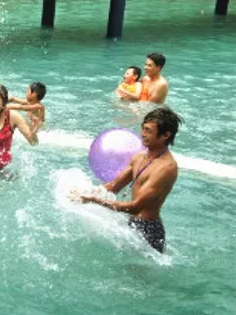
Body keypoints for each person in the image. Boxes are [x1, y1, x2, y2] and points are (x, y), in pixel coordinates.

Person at [74, 108, 181, 253]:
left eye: (148, 131)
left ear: (166, 135)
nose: (143, 134)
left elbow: (135, 207)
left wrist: (93, 200)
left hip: (149, 230)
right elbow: (113, 186)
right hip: (131, 223)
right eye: (143, 128)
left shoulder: (166, 168)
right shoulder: (138, 157)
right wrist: (84, 192)